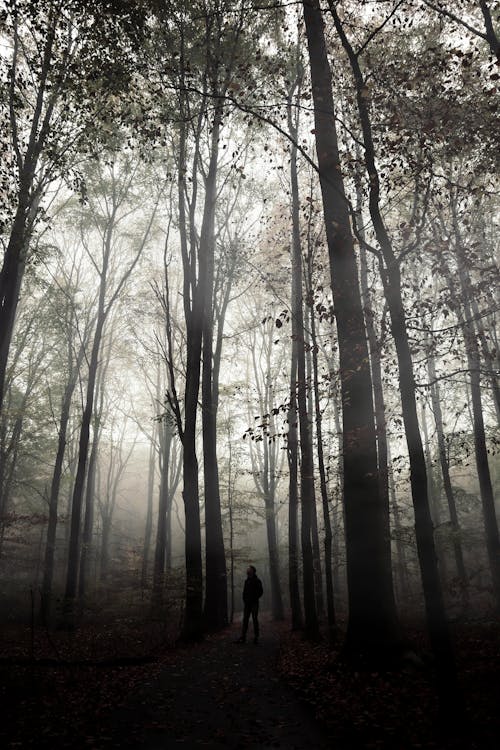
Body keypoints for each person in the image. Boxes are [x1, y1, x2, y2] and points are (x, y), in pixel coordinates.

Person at [236, 565, 263, 644]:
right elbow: (244, 592)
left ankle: (256, 637)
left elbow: (261, 592)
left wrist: (254, 598)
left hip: (254, 603)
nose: (247, 570)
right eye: (247, 569)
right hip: (247, 604)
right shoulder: (246, 581)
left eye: (249, 569)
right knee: (245, 620)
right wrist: (244, 599)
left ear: (253, 571)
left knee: (255, 619)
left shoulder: (257, 580)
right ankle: (243, 637)